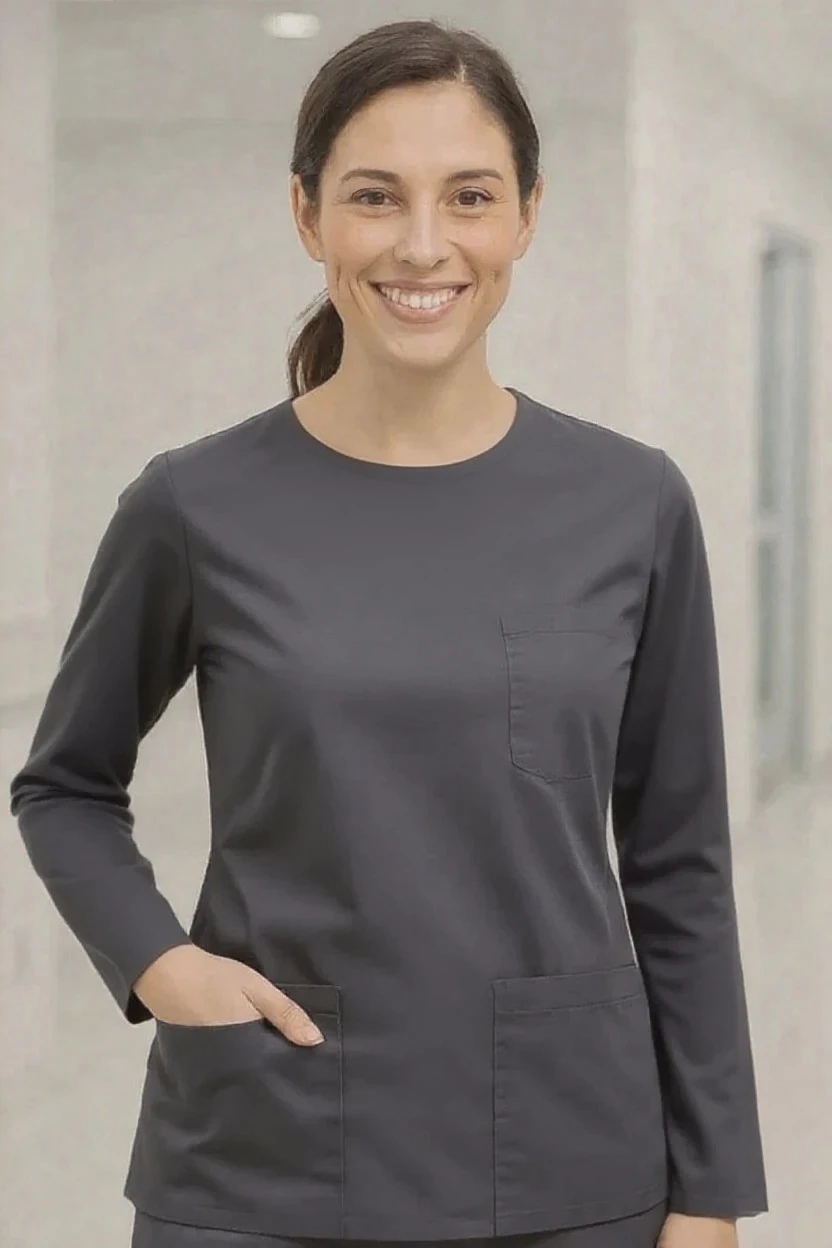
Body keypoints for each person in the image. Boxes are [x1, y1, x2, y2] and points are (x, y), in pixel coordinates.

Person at [8, 18, 768, 1248]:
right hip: (263, 1154)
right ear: (307, 216)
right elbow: (65, 787)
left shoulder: (632, 505)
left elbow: (680, 866)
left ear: (526, 214)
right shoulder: (194, 507)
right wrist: (160, 964)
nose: (423, 244)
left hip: (566, 1160)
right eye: (375, 196)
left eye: (469, 195)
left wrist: (712, 1191)